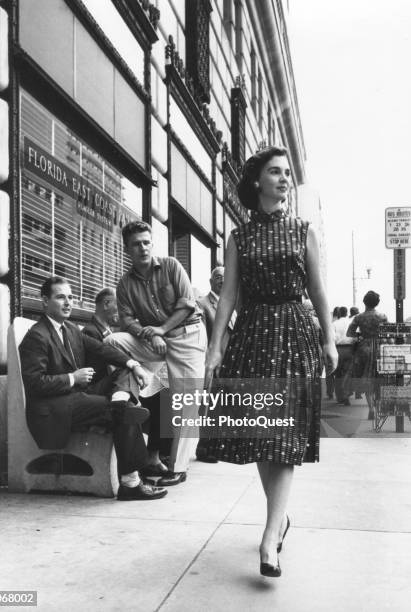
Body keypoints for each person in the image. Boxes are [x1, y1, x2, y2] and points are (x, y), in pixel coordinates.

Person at [203, 146, 337, 577]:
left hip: (296, 334)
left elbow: (318, 293)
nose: (283, 179)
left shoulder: (303, 231)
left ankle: (268, 538)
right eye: (274, 172)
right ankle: (279, 520)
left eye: (285, 174)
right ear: (257, 181)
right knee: (263, 434)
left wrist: (329, 341)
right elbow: (227, 297)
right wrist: (216, 346)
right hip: (254, 336)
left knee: (285, 438)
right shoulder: (239, 236)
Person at [19, 276, 167, 501]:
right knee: (124, 413)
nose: (68, 303)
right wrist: (72, 377)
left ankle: (120, 401)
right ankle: (131, 482)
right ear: (44, 301)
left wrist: (134, 364)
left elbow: (102, 349)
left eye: (70, 297)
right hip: (54, 410)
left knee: (124, 373)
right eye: (60, 297)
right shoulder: (36, 336)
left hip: (76, 399)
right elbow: (34, 383)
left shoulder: (70, 329)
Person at [105, 221, 207, 487]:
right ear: (127, 248)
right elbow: (126, 321)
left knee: (187, 402)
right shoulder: (125, 283)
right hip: (154, 341)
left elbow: (187, 304)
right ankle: (131, 392)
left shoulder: (171, 265)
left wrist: (160, 329)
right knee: (114, 341)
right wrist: (152, 335)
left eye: (146, 242)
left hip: (187, 338)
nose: (143, 248)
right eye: (136, 244)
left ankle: (179, 467)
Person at [82, 287, 171, 478]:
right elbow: (99, 370)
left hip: (122, 385)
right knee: (156, 401)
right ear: (106, 304)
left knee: (164, 395)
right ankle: (148, 461)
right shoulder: (90, 332)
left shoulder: (113, 333)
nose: (123, 312)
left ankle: (154, 457)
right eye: (120, 306)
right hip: (105, 390)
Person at [195, 266, 236, 463]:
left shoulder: (231, 306)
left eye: (225, 277)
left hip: (228, 365)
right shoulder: (202, 304)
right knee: (208, 407)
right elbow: (201, 337)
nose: (222, 280)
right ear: (210, 281)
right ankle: (204, 448)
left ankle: (216, 446)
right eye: (218, 277)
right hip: (210, 364)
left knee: (221, 407)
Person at [347, 290, 387, 416]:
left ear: (364, 302)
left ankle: (371, 408)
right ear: (377, 303)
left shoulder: (358, 317)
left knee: (366, 378)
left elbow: (350, 333)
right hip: (379, 348)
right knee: (379, 378)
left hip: (363, 348)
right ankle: (378, 404)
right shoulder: (383, 316)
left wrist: (360, 335)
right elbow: (387, 334)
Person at [333, 306, 357, 405]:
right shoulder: (350, 323)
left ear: (338, 313)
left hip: (338, 349)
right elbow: (355, 336)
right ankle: (346, 395)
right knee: (347, 373)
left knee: (338, 374)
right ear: (347, 313)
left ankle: (340, 397)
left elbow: (332, 338)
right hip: (349, 349)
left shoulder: (334, 324)